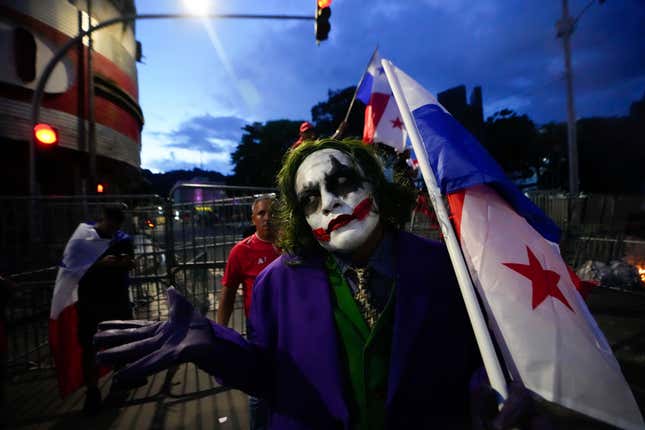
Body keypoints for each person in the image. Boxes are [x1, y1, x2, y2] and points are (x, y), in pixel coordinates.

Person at [95, 140, 542, 429]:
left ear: (377, 187)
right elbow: (270, 377)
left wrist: (493, 391)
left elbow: (478, 358)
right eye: (311, 198)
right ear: (303, 218)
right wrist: (214, 344)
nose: (329, 203)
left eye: (342, 182)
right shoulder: (276, 284)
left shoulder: (448, 269)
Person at [59, 203, 135, 414]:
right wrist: (100, 264)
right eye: (110, 225)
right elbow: (70, 265)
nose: (112, 230)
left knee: (120, 340)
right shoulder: (84, 237)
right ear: (103, 218)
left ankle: (121, 378)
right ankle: (92, 392)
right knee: (89, 346)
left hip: (116, 297)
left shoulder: (122, 239)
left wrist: (124, 263)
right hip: (90, 300)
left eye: (116, 226)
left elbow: (129, 262)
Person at [216, 194, 280, 430]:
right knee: (259, 391)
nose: (267, 218)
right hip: (259, 332)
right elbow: (228, 294)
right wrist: (220, 332)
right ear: (253, 218)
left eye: (272, 212)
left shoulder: (291, 247)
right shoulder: (240, 251)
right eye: (261, 213)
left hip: (291, 330)